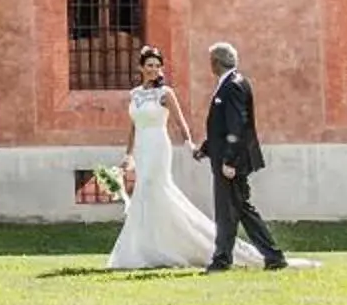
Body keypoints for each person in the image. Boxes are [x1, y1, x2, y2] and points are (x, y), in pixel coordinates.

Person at [105, 44, 263, 271]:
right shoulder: (135, 94)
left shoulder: (165, 93)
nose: (153, 69)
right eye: (149, 65)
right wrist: (128, 155)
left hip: (159, 147)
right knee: (143, 193)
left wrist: (191, 145)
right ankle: (142, 248)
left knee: (154, 188)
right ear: (141, 67)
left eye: (157, 66)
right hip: (142, 148)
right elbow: (133, 127)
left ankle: (192, 244)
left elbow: (180, 123)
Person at [193, 40, 295, 272]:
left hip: (232, 162)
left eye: (210, 61)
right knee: (231, 210)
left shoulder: (233, 85)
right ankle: (226, 258)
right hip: (224, 159)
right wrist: (206, 148)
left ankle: (270, 255)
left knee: (237, 209)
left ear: (216, 63)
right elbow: (222, 126)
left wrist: (229, 160)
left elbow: (237, 125)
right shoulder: (229, 84)